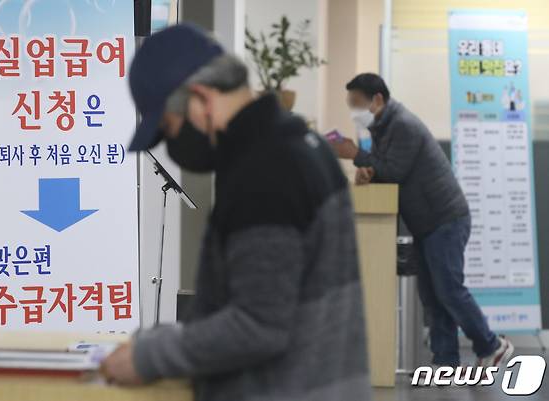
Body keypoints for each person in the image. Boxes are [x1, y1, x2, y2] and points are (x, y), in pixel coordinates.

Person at [100, 24, 372, 401]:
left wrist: (148, 355)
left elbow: (257, 325)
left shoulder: (265, 169)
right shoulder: (303, 146)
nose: (173, 145)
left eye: (169, 126)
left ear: (201, 99)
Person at [331, 73, 514, 370]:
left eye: (356, 104)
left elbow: (395, 171)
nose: (353, 111)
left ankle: (491, 345)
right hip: (427, 224)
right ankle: (445, 361)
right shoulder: (382, 128)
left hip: (445, 219)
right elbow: (383, 169)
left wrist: (354, 155)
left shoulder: (403, 124)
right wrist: (368, 172)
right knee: (432, 295)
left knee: (449, 290)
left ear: (377, 100)